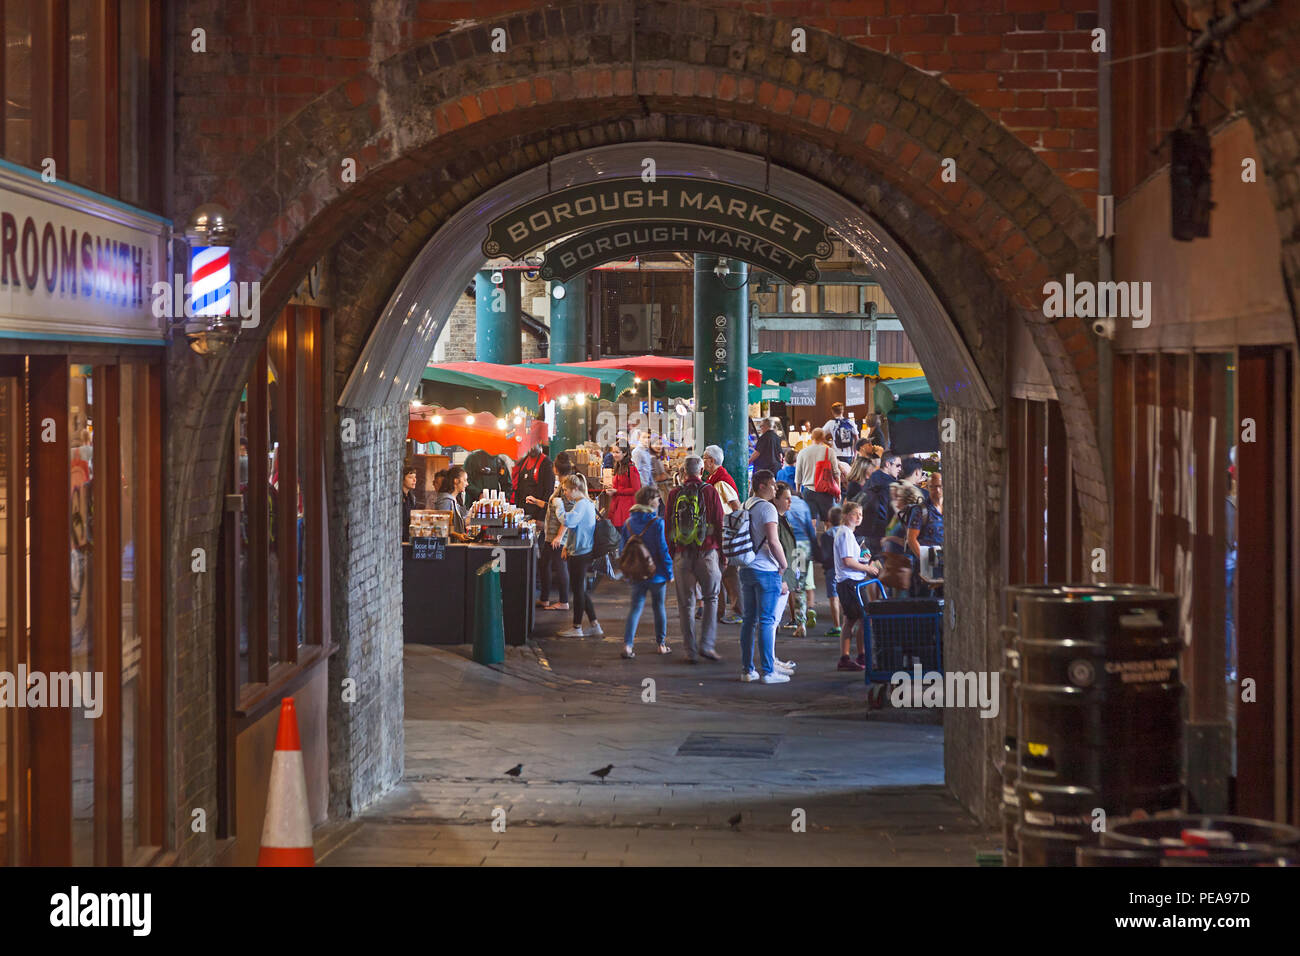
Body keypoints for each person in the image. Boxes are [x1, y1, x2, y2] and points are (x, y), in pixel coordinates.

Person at [667, 456, 726, 663]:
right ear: (702, 470)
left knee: (686, 604)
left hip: (682, 555)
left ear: (683, 472)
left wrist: (674, 552)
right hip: (707, 553)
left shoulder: (674, 494)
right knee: (711, 599)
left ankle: (690, 651)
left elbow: (668, 528)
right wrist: (723, 553)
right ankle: (707, 646)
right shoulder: (710, 491)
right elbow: (719, 522)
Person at [737, 469, 792, 684]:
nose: (775, 488)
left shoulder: (746, 504)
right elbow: (773, 541)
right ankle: (769, 671)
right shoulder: (768, 508)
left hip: (747, 568)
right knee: (767, 621)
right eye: (772, 485)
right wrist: (784, 564)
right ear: (761, 486)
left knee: (749, 620)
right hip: (766, 570)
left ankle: (747, 669)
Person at [621, 485, 674, 658]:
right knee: (659, 608)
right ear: (650, 501)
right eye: (657, 498)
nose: (659, 501)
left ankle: (628, 646)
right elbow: (663, 550)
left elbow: (623, 549)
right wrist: (669, 572)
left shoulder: (628, 523)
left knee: (635, 608)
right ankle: (661, 644)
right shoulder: (657, 523)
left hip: (636, 574)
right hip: (656, 574)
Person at [834, 501, 882, 671]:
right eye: (855, 514)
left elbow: (851, 559)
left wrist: (863, 559)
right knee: (862, 619)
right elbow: (847, 561)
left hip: (850, 581)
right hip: (851, 582)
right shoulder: (846, 534)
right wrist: (867, 568)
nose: (859, 518)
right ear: (846, 515)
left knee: (852, 620)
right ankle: (861, 656)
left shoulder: (847, 534)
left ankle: (849, 656)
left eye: (860, 514)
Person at [555, 473, 602, 638]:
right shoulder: (586, 504)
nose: (565, 494)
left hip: (580, 554)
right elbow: (576, 528)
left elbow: (568, 521)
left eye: (566, 490)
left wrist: (558, 505)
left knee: (578, 591)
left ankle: (577, 627)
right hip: (582, 551)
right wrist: (567, 546)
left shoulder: (581, 505)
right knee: (580, 590)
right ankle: (594, 624)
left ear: (575, 489)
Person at [703, 445, 743, 624]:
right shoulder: (714, 478)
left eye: (705, 458)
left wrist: (733, 530)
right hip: (721, 534)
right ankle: (720, 611)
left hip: (725, 535)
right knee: (722, 574)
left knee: (726, 574)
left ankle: (735, 610)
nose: (703, 461)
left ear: (711, 461)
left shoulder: (721, 482)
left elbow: (736, 506)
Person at [774, 481, 817, 638]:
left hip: (786, 548)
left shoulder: (776, 509)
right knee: (799, 588)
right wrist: (815, 548)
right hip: (803, 546)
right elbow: (810, 528)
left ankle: (776, 622)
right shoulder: (802, 504)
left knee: (780, 585)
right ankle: (801, 624)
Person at [538, 452, 572, 610]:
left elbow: (567, 514)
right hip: (550, 534)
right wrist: (538, 502)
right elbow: (554, 508)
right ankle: (544, 598)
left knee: (560, 566)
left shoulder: (565, 486)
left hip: (557, 536)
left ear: (556, 469)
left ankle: (564, 602)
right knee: (544, 564)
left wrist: (559, 536)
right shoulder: (561, 485)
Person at [796, 427, 845, 527]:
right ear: (823, 438)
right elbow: (836, 473)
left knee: (811, 523)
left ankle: (814, 542)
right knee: (828, 522)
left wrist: (798, 492)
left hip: (808, 491)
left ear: (812, 437)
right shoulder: (829, 452)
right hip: (825, 491)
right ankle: (827, 541)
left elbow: (798, 475)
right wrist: (838, 491)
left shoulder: (802, 452)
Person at [908, 469, 944, 597]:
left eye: (940, 486)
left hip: (946, 565)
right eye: (933, 487)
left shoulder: (951, 508)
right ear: (927, 488)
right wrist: (926, 561)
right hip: (927, 565)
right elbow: (911, 539)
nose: (937, 490)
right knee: (927, 603)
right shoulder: (921, 510)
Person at [858, 452, 902, 554]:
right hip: (882, 533)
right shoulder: (890, 485)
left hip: (867, 531)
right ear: (887, 464)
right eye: (898, 465)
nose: (900, 469)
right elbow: (892, 511)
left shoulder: (873, 477)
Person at [818, 506, 844, 638]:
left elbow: (825, 555)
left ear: (829, 520)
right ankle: (847, 624)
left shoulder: (827, 535)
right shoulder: (846, 532)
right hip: (844, 568)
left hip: (832, 569)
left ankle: (837, 625)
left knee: (833, 597)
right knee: (844, 596)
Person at [514, 443, 555, 523]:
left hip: (537, 514)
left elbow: (548, 491)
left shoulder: (546, 463)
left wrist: (541, 518)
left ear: (539, 444)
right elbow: (519, 487)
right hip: (523, 512)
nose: (531, 448)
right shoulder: (524, 461)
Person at [431, 465, 472, 540]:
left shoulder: (456, 499)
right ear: (456, 481)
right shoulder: (445, 500)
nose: (467, 484)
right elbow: (441, 525)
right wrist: (458, 535)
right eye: (465, 480)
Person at [607, 441, 637, 531]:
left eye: (617, 452)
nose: (614, 455)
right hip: (618, 506)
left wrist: (617, 491)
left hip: (626, 509)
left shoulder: (631, 468)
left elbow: (636, 489)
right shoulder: (618, 466)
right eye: (613, 452)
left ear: (625, 453)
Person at [822, 402, 858, 466]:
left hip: (836, 454)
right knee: (848, 473)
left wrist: (829, 444)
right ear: (843, 411)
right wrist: (855, 454)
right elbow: (857, 438)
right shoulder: (850, 422)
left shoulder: (831, 423)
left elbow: (819, 435)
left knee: (838, 474)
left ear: (832, 412)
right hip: (849, 454)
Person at [401, 466, 419, 543]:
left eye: (415, 477)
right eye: (410, 477)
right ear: (402, 479)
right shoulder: (398, 497)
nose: (414, 480)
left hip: (409, 538)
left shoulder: (412, 498)